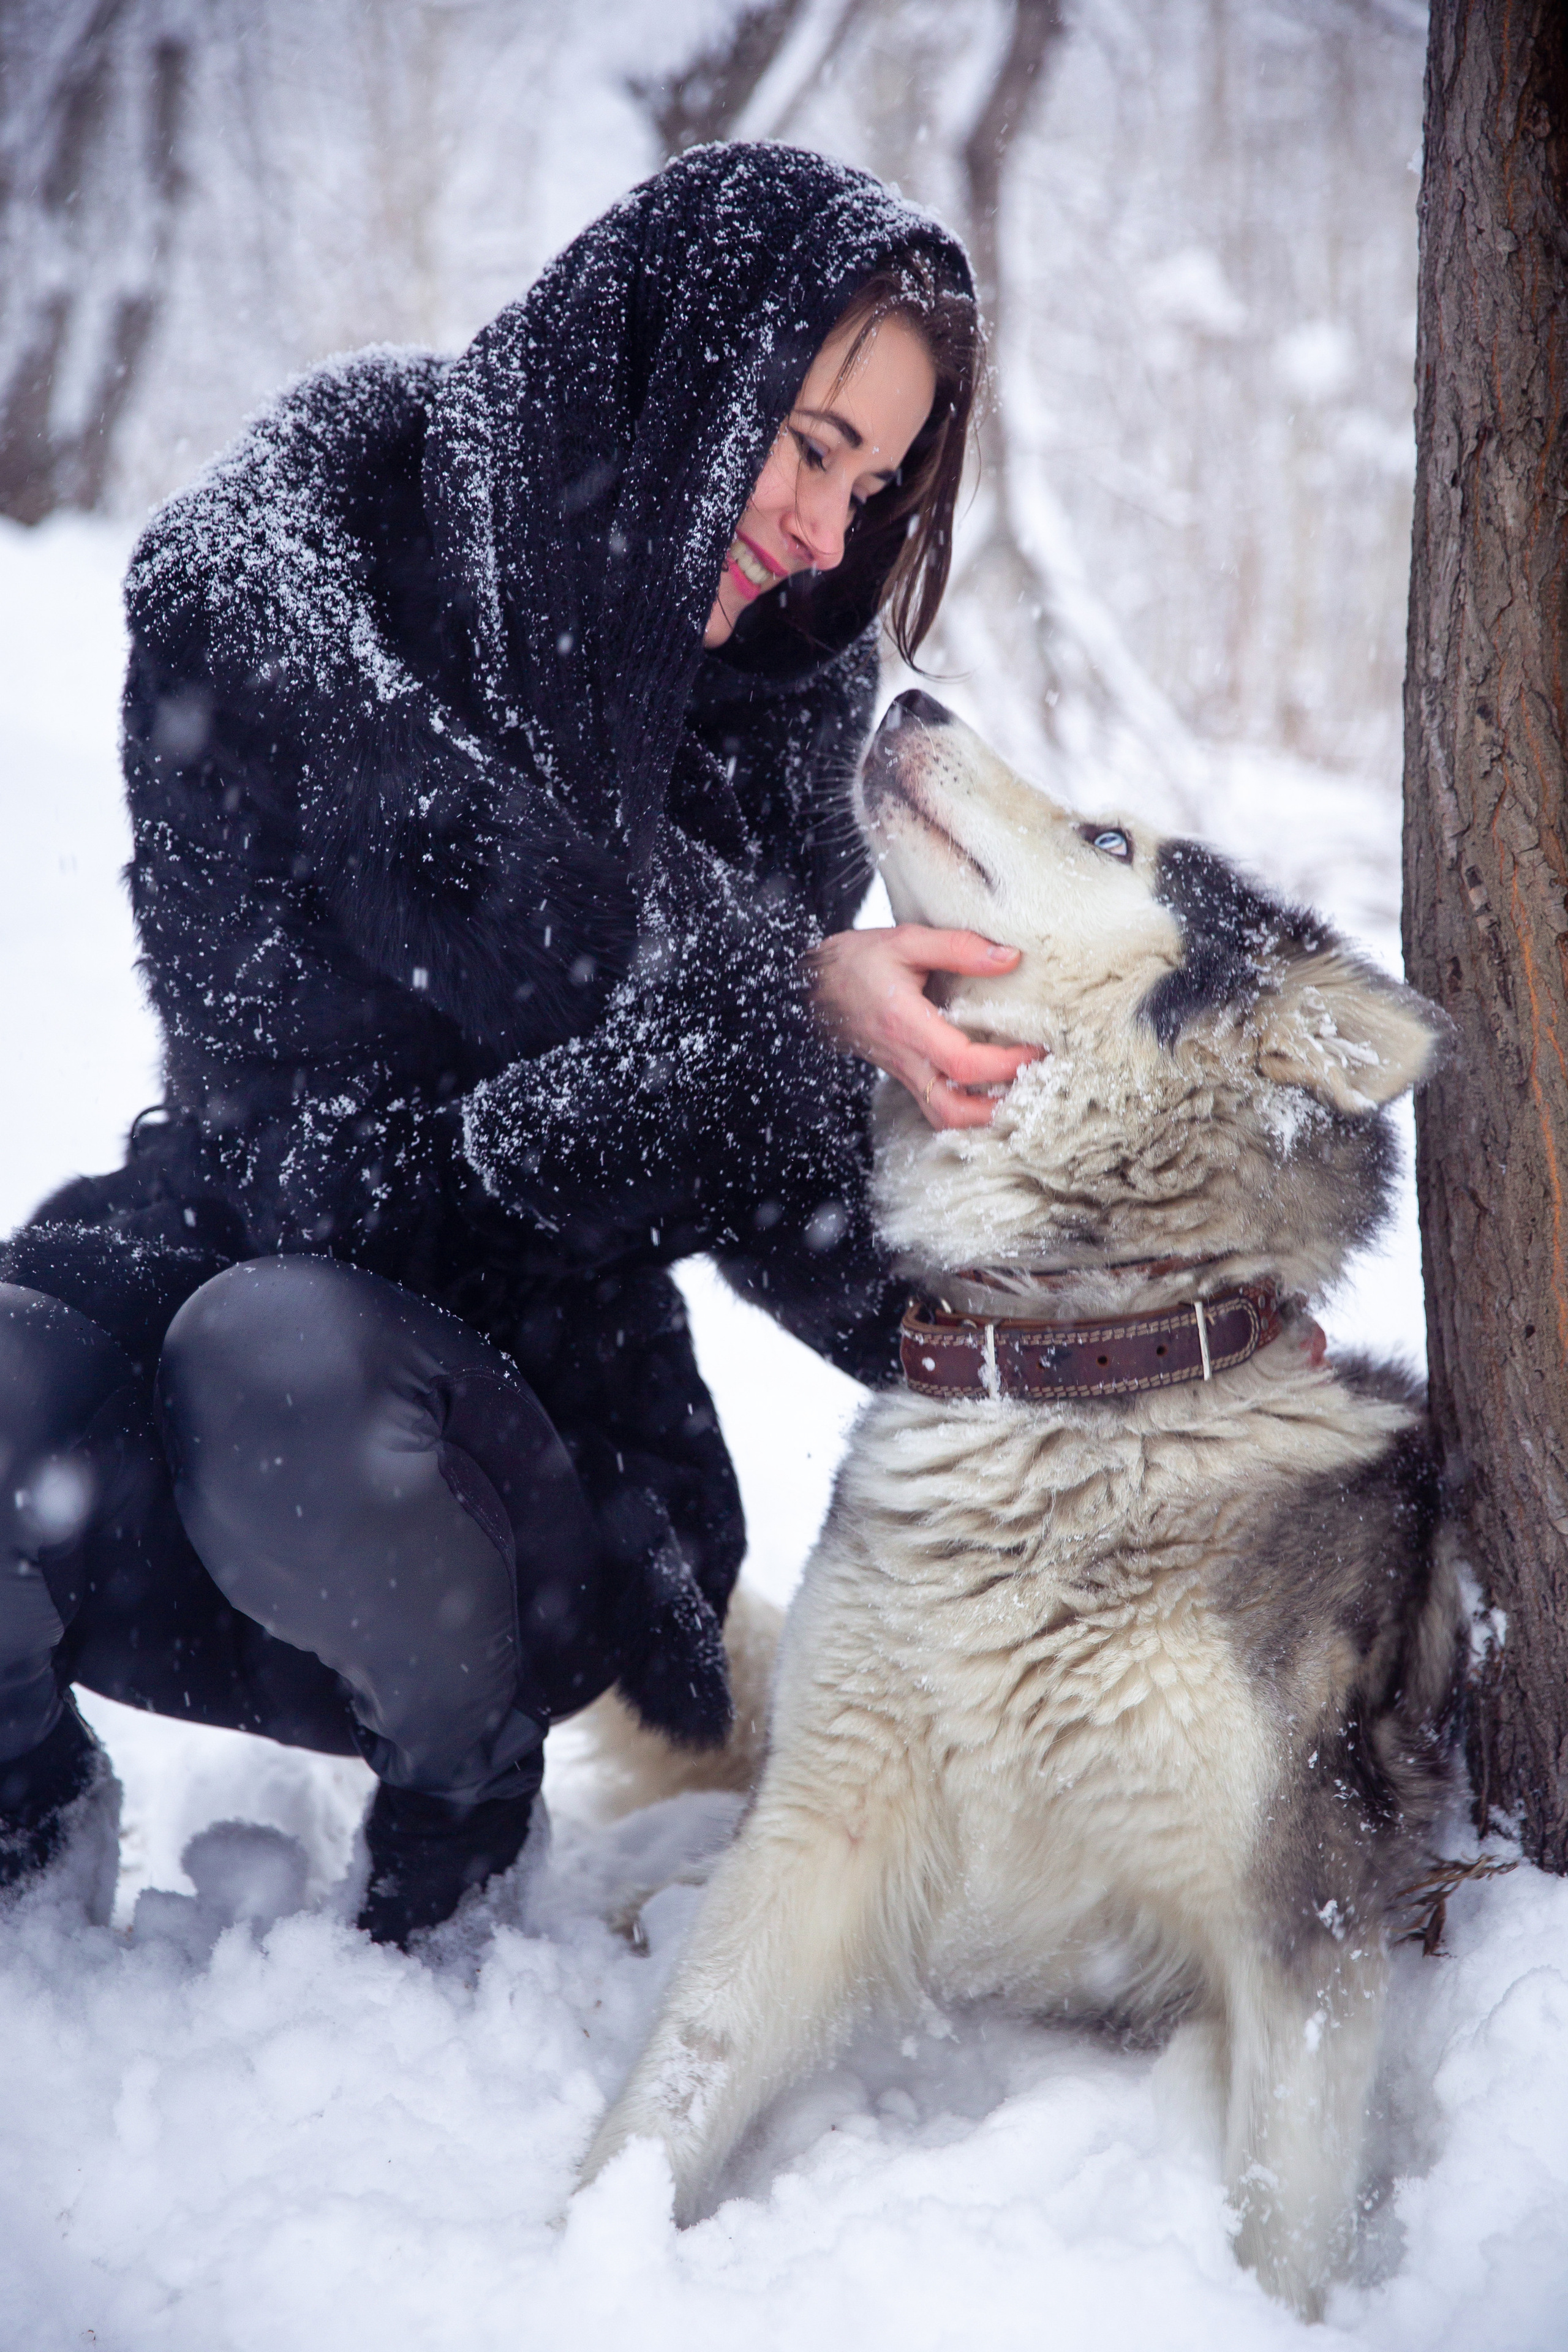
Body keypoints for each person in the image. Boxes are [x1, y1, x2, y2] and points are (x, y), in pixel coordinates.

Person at [0, 143, 1036, 1946]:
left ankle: (459, 1839)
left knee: (287, 1370)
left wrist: (1095, 1341)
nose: (826, 528)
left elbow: (769, 1167)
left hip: (512, 1456)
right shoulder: (299, 553)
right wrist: (778, 977)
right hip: (215, 1265)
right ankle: (23, 1824)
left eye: (873, 485)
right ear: (679, 369)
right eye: (807, 445)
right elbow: (397, 912)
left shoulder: (775, 698)